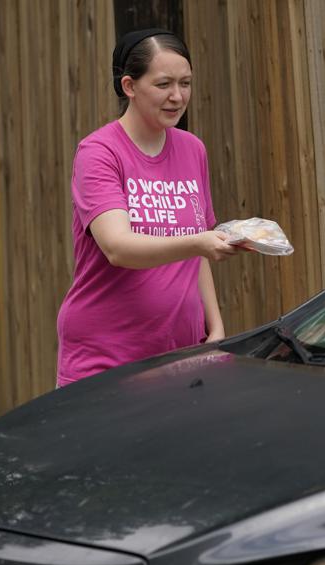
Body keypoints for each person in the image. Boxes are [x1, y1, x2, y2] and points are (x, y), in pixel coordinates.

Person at [56, 28, 239, 387]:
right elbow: (118, 248)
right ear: (129, 86)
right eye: (163, 84)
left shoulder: (192, 149)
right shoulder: (100, 153)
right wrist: (200, 242)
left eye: (185, 83)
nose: (177, 96)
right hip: (106, 359)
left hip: (180, 353)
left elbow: (196, 250)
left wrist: (214, 325)